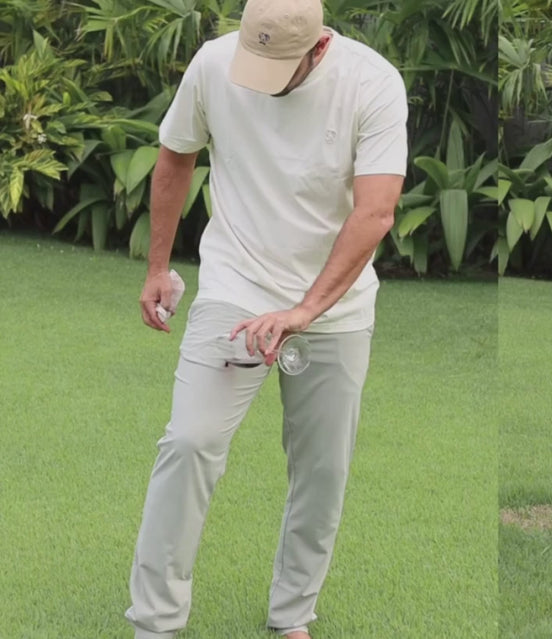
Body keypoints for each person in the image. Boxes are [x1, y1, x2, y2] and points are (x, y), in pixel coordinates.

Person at [126, 0, 408, 636]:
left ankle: (292, 615)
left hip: (333, 307)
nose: (261, 80)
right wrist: (157, 267)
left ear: (318, 46)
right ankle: (155, 623)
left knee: (323, 469)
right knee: (189, 441)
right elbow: (175, 156)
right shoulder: (214, 64)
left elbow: (375, 212)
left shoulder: (372, 84)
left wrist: (304, 310)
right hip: (236, 285)